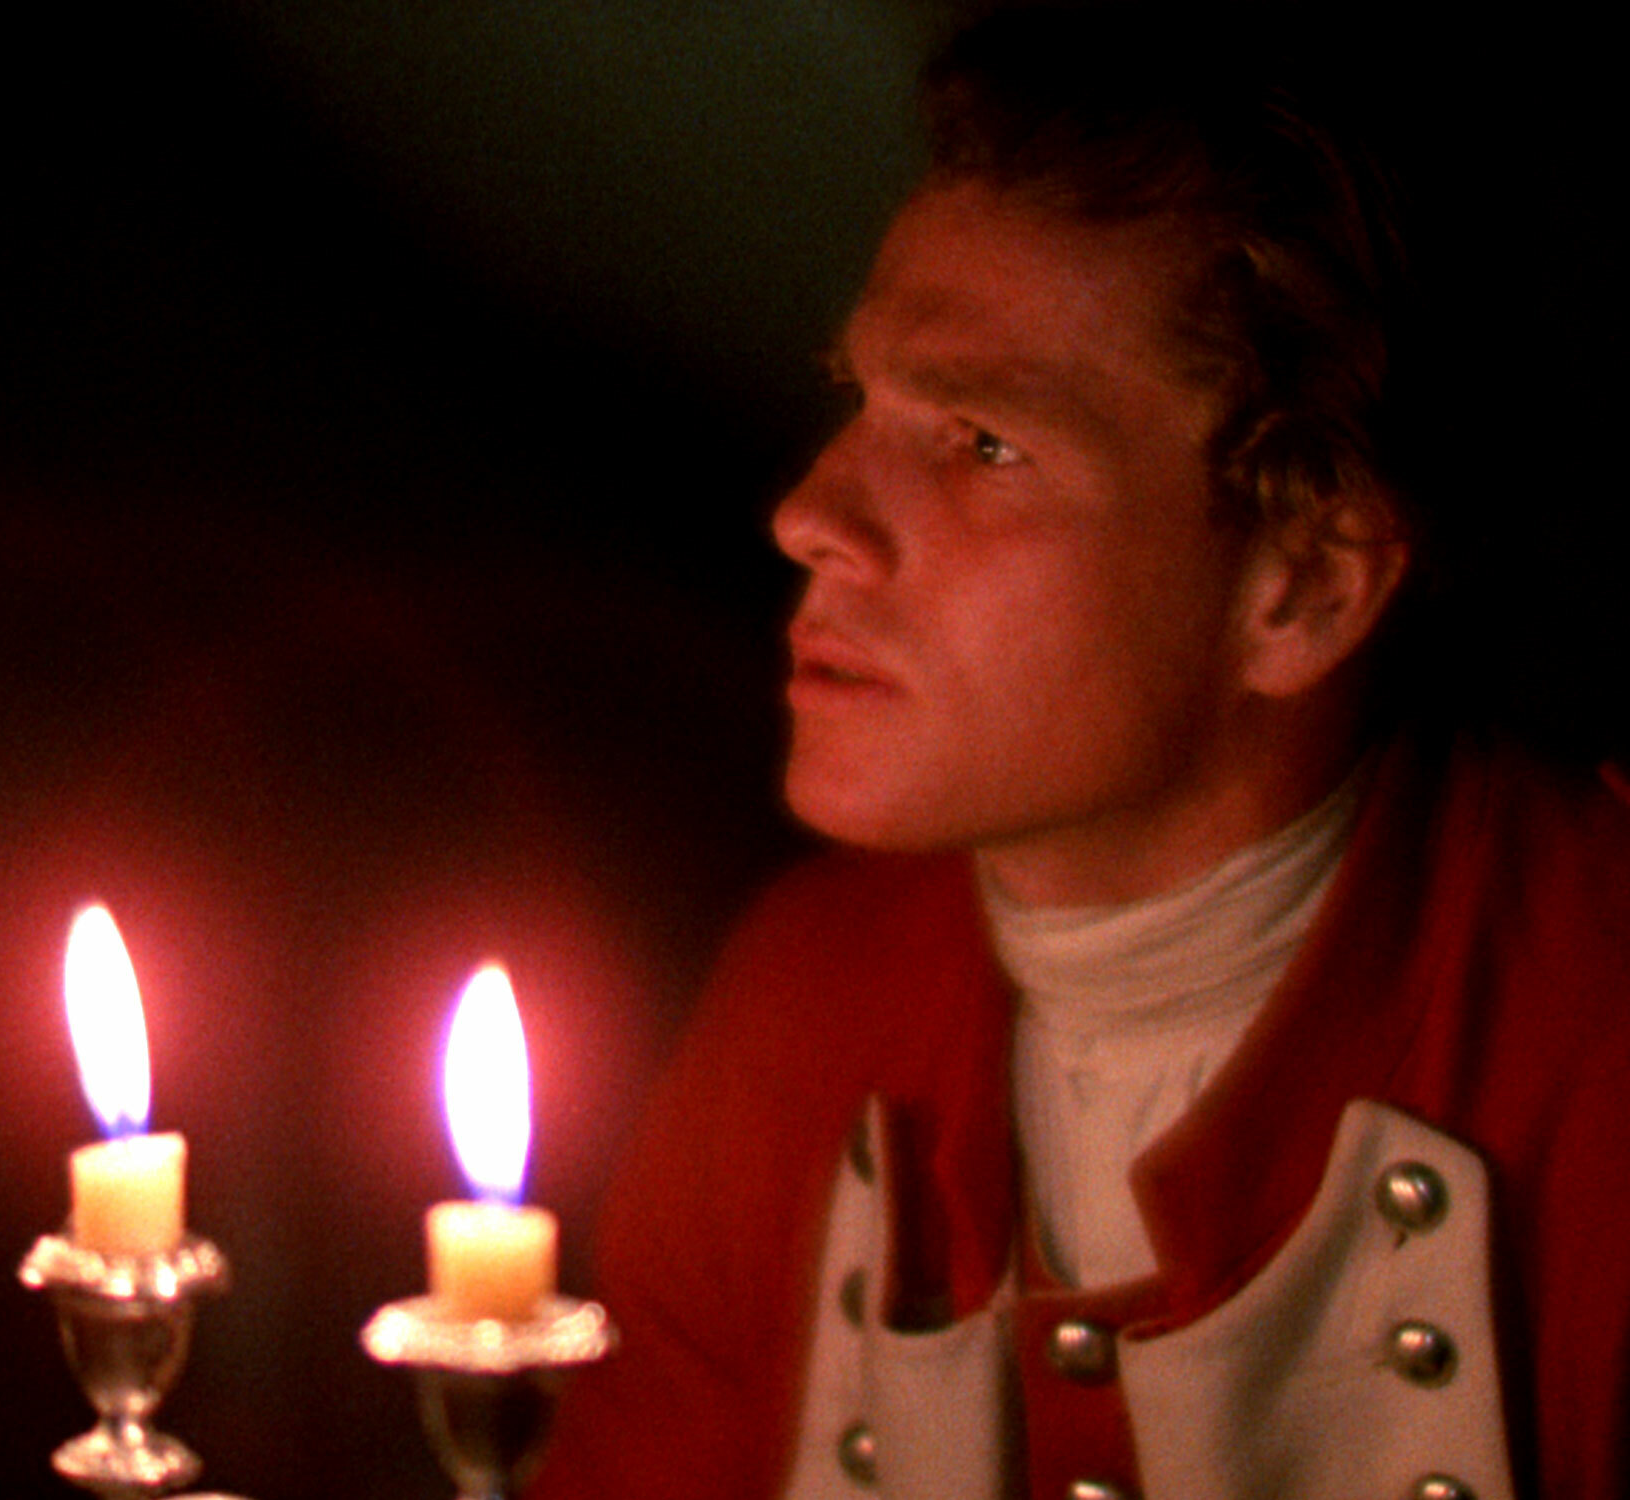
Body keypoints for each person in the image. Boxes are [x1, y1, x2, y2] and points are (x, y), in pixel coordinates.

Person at [530, 4, 1630, 1498]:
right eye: (863, 402)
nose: (812, 515)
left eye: (984, 442)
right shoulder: (802, 1012)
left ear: (1302, 584)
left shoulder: (1597, 1018)